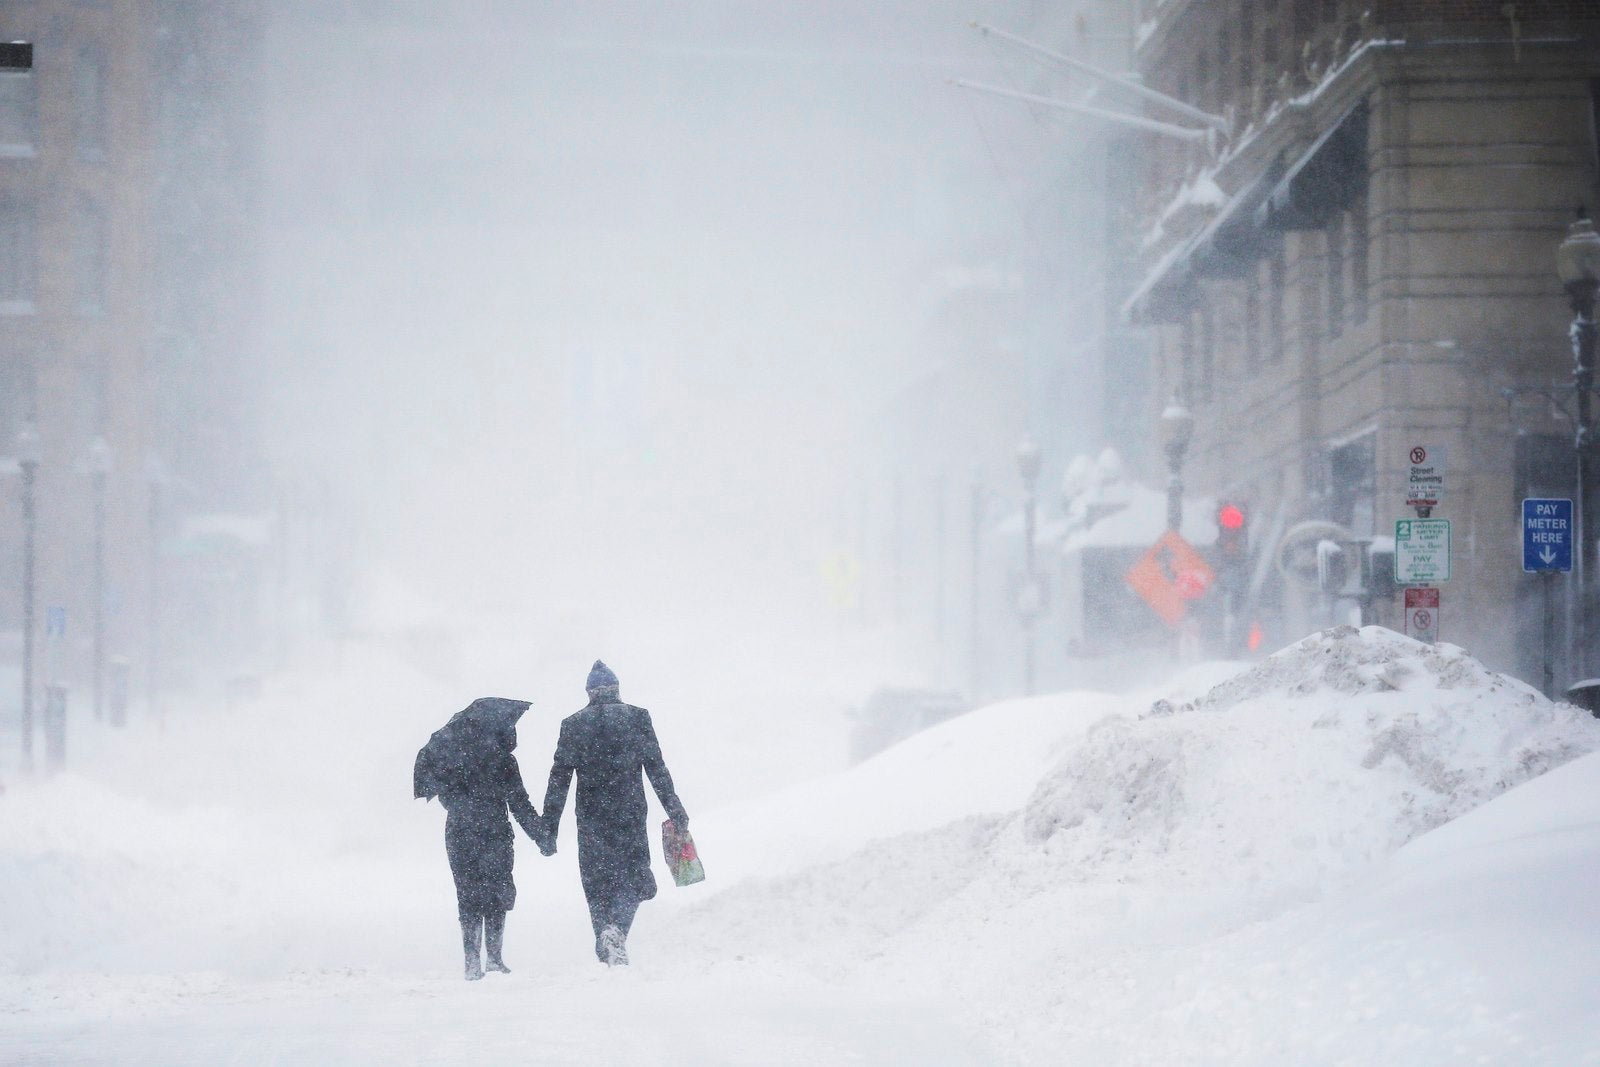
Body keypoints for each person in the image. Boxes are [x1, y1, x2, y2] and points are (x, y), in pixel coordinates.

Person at [538, 660, 689, 966]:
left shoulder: (572, 725)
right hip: (629, 815)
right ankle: (616, 931)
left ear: (590, 693)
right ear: (616, 689)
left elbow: (559, 780)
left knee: (597, 883)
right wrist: (675, 809)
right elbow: (656, 769)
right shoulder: (637, 717)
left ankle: (607, 940)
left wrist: (549, 827)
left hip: (592, 818)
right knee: (635, 880)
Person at [413, 696, 548, 980]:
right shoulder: (503, 760)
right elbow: (520, 803)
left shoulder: (450, 756)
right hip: (494, 832)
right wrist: (541, 835)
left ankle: (472, 961)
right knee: (497, 893)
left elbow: (444, 797)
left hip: (459, 833)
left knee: (467, 894)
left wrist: (461, 805)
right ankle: (495, 958)